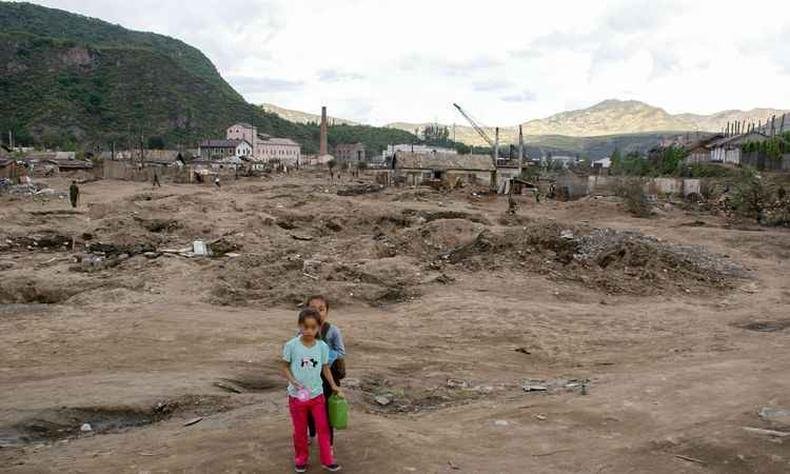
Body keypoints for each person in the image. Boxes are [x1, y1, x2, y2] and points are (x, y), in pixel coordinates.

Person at [281, 307, 343, 473]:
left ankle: (327, 460)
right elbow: (285, 366)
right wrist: (293, 381)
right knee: (300, 430)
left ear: (318, 327)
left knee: (323, 428)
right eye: (305, 327)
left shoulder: (322, 347)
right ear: (299, 325)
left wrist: (333, 386)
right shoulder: (291, 345)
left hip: (317, 396)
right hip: (297, 397)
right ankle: (301, 459)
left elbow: (325, 368)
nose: (309, 331)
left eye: (313, 327)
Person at [305, 295, 346, 447]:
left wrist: (325, 358)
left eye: (321, 309)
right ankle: (312, 434)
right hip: (309, 376)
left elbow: (341, 351)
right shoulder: (303, 331)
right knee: (309, 408)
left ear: (327, 312)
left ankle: (329, 445)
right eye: (312, 309)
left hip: (329, 377)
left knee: (327, 411)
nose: (317, 312)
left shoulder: (333, 331)